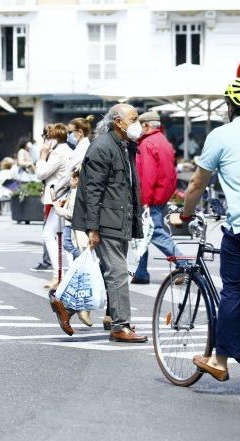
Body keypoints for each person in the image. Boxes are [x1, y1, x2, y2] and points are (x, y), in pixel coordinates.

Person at [170, 78, 240, 381]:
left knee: (233, 287)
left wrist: (185, 213)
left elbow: (196, 183)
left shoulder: (221, 135)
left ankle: (220, 361)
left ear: (230, 106)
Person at [60, 103, 146, 342]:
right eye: (134, 119)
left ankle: (65, 306)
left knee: (108, 270)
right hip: (107, 220)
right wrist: (93, 227)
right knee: (118, 273)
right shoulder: (103, 147)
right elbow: (92, 191)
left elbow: (126, 187)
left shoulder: (125, 145)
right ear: (118, 122)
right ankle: (121, 326)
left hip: (120, 219)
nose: (137, 124)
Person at [132, 110, 182, 284]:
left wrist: (143, 201)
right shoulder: (164, 141)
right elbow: (171, 172)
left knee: (154, 232)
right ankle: (140, 272)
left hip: (151, 197)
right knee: (142, 232)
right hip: (161, 195)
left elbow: (147, 175)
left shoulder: (147, 143)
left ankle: (185, 264)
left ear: (145, 126)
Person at [52, 168, 92, 327]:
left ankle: (69, 308)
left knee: (87, 274)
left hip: (82, 233)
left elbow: (72, 213)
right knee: (88, 275)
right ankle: (74, 308)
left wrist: (58, 209)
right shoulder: (80, 192)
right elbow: (74, 213)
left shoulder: (77, 192)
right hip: (84, 234)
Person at [34, 123, 72, 289]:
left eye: (47, 138)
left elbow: (41, 173)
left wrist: (42, 156)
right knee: (64, 237)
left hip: (57, 199)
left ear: (53, 139)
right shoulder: (68, 150)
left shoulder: (58, 153)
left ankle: (59, 275)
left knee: (49, 235)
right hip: (64, 198)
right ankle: (64, 274)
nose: (45, 141)